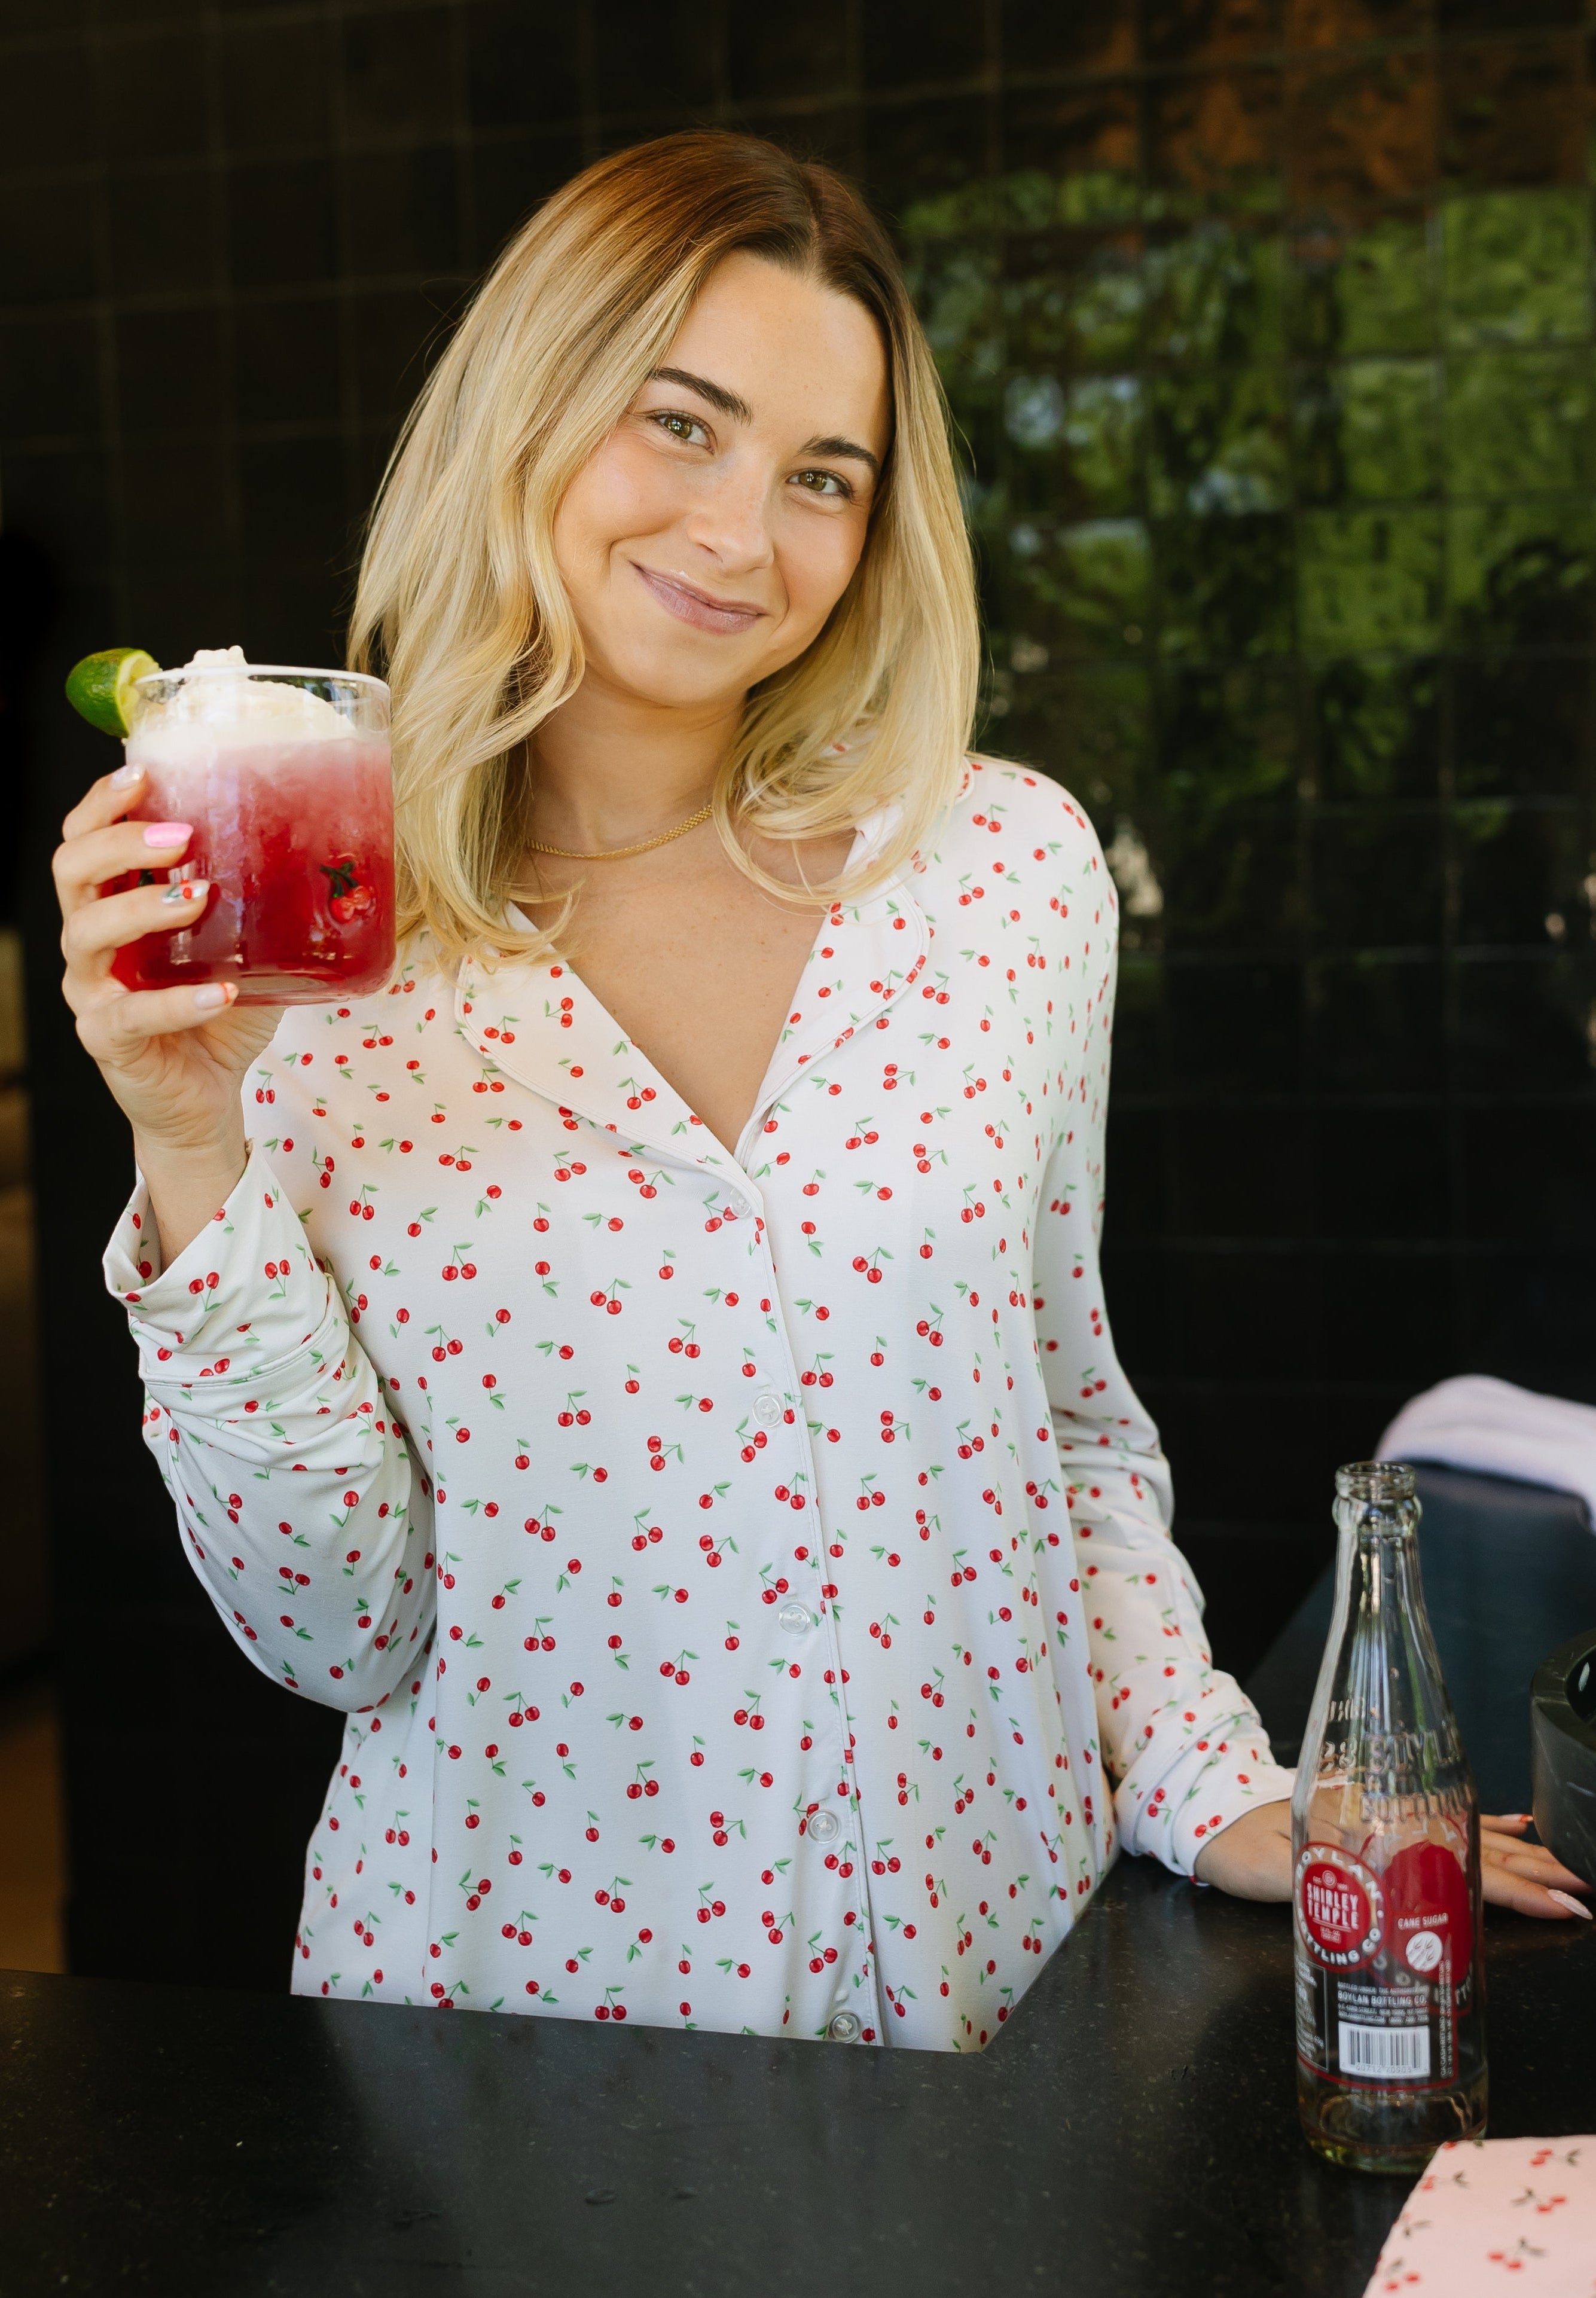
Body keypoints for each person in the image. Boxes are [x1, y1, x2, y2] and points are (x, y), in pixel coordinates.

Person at [54, 133, 1589, 2049]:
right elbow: (337, 1628)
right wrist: (191, 1134)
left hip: (1005, 2030)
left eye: (821, 477)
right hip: (526, 2070)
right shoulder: (325, 935)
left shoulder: (998, 872)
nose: (740, 533)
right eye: (679, 425)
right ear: (529, 409)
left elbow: (1061, 1433)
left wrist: (1231, 1790)